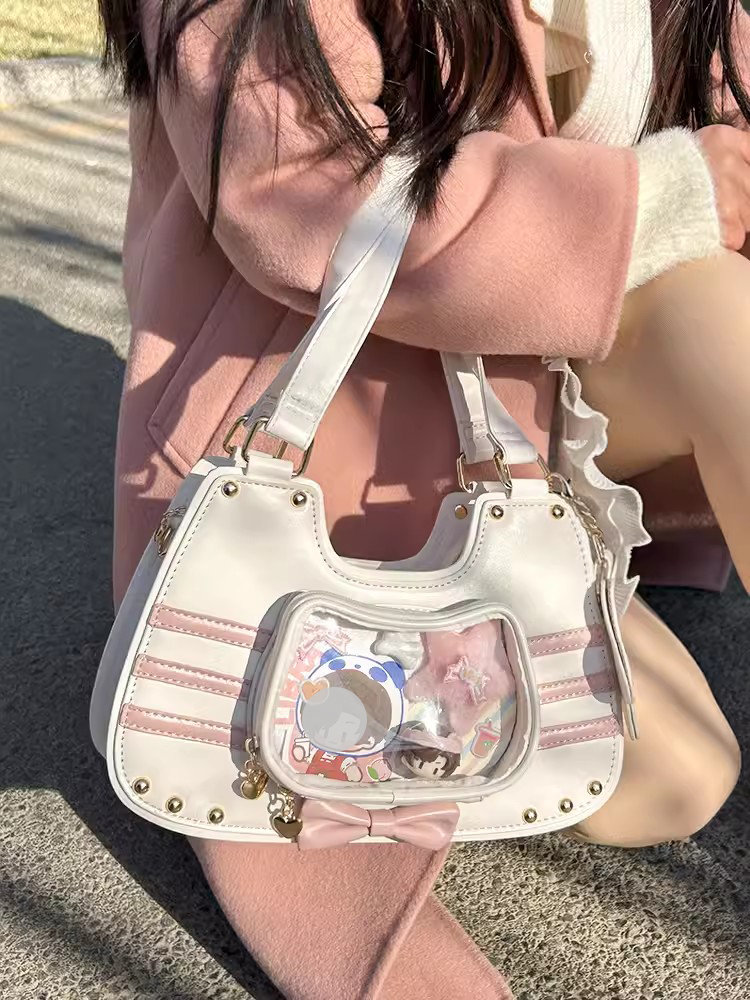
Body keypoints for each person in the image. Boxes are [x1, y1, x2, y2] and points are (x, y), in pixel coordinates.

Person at [98, 1, 750, 997]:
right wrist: (667, 196)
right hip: (362, 412)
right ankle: (464, 594)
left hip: (567, 373)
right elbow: (300, 189)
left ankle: (560, 555)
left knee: (722, 316)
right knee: (672, 779)